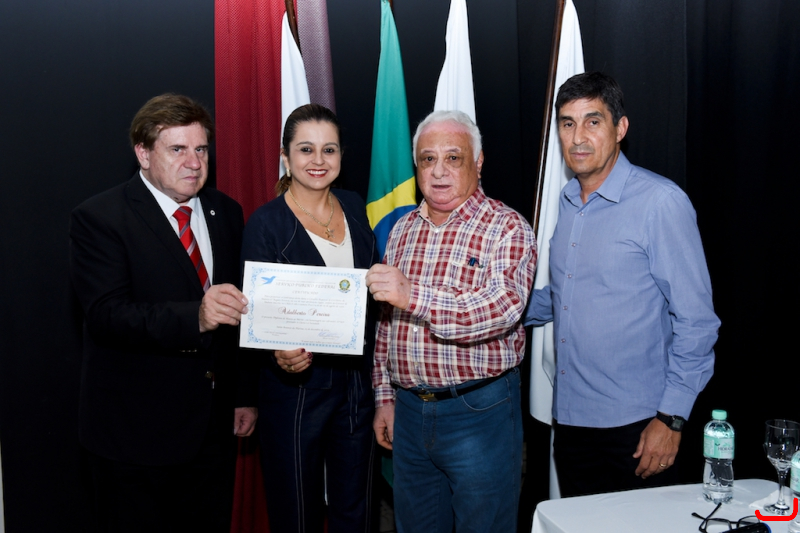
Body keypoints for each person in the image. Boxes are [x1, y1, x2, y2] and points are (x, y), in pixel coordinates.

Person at [525, 72, 720, 497]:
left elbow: (697, 323)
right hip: (571, 423)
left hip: (640, 428)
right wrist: (496, 309)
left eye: (593, 121)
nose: (578, 137)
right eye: (567, 123)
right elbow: (562, 297)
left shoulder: (659, 202)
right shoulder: (567, 200)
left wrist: (671, 418)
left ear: (620, 128)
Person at [69, 94, 257, 533]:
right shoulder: (101, 217)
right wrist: (197, 317)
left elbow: (241, 312)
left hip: (212, 433)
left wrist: (243, 393)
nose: (194, 162)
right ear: (143, 153)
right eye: (178, 149)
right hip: (134, 438)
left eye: (201, 149)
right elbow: (107, 316)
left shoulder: (226, 213)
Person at [366, 110, 537, 533]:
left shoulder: (507, 227)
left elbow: (503, 308)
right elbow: (387, 323)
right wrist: (384, 396)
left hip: (478, 412)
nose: (438, 171)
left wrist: (413, 296)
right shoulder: (402, 229)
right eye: (428, 159)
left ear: (478, 162)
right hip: (408, 411)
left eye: (453, 158)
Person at [241, 104, 379, 533]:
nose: (318, 160)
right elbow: (257, 315)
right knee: (296, 512)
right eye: (306, 149)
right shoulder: (265, 223)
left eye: (329, 149)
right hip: (296, 389)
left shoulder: (354, 206)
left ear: (341, 156)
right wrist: (278, 354)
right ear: (286, 157)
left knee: (357, 510)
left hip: (356, 385)